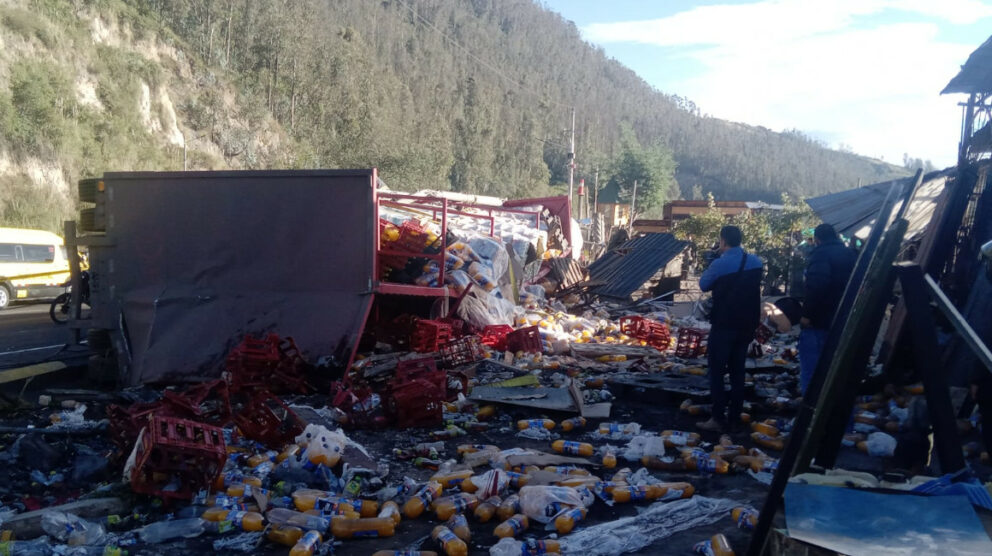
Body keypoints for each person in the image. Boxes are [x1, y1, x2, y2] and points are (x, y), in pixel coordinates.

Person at [696, 226, 763, 433]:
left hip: (725, 324)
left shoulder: (720, 263)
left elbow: (704, 285)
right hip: (747, 324)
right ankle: (735, 416)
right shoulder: (756, 262)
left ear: (723, 241)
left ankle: (717, 418)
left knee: (716, 371)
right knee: (737, 371)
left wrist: (711, 263)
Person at [799, 223, 857, 394]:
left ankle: (810, 411)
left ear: (817, 239)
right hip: (844, 318)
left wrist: (807, 315)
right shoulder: (851, 254)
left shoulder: (820, 254)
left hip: (820, 320)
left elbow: (817, 285)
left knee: (812, 369)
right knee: (838, 368)